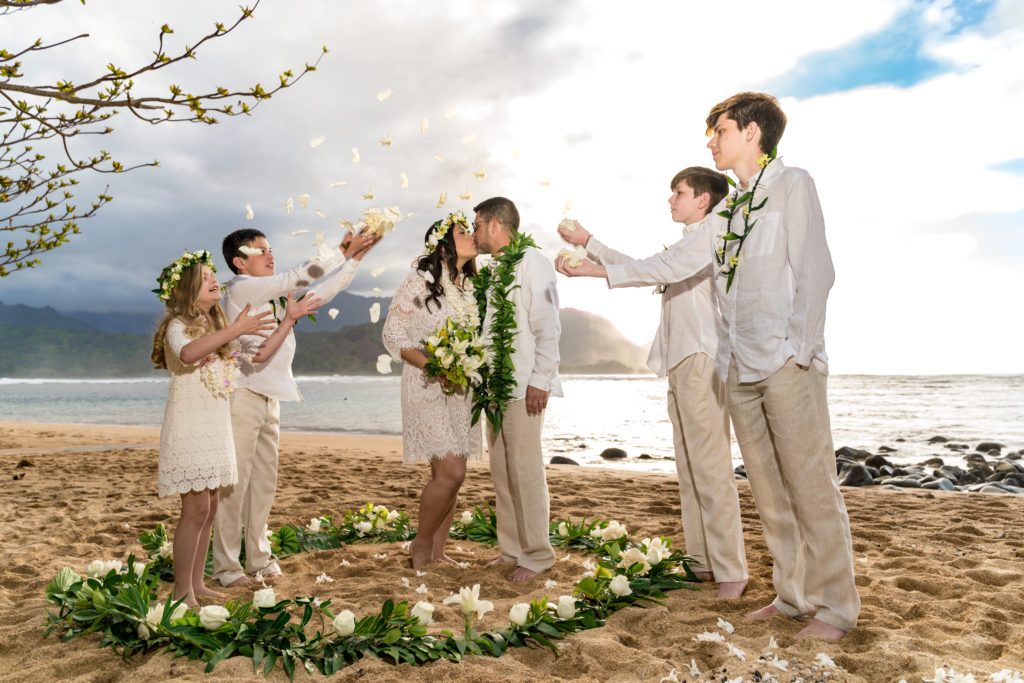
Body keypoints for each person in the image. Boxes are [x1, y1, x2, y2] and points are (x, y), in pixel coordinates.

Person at [557, 92, 859, 640]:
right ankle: (793, 596)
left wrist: (800, 349)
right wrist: (595, 271)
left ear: (751, 132)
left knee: (811, 485)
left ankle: (837, 606)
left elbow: (817, 273)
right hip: (738, 367)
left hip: (785, 363)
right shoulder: (731, 210)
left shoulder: (794, 186)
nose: (710, 140)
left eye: (718, 130)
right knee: (768, 490)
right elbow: (673, 263)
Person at [557, 166, 748, 599]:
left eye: (678, 192)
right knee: (688, 467)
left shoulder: (712, 232)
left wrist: (589, 269)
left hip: (701, 357)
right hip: (683, 360)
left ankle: (732, 570)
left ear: (703, 199)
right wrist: (589, 243)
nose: (670, 199)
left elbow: (657, 269)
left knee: (711, 468)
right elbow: (652, 267)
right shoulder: (691, 240)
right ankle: (703, 564)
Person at [212, 227, 379, 587]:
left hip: (270, 395)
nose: (270, 255)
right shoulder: (240, 288)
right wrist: (340, 248)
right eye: (260, 251)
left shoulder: (272, 295)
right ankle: (227, 567)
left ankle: (257, 558)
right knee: (234, 486)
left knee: (263, 485)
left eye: (271, 248)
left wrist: (354, 261)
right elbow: (297, 277)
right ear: (239, 262)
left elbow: (321, 291)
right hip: (242, 394)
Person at [151, 250, 318, 605]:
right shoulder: (177, 327)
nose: (215, 280)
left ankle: (197, 583)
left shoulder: (217, 328)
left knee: (209, 508)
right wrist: (234, 328)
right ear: (187, 289)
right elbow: (188, 354)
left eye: (214, 274)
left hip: (215, 427)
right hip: (191, 426)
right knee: (194, 510)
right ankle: (182, 592)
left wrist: (287, 320)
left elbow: (257, 356)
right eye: (206, 277)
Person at [381, 211, 482, 568]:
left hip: (461, 388)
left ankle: (438, 551)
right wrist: (435, 367)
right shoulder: (417, 281)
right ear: (442, 247)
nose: (471, 234)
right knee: (452, 472)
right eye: (462, 231)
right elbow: (392, 335)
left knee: (451, 478)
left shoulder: (471, 288)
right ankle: (420, 546)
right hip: (427, 384)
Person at [472, 196, 561, 582]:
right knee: (503, 473)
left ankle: (538, 555)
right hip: (495, 389)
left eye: (477, 225)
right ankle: (511, 550)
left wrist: (540, 380)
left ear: (494, 224)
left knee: (525, 472)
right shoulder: (493, 272)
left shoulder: (533, 264)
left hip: (524, 385)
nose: (474, 233)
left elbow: (548, 326)